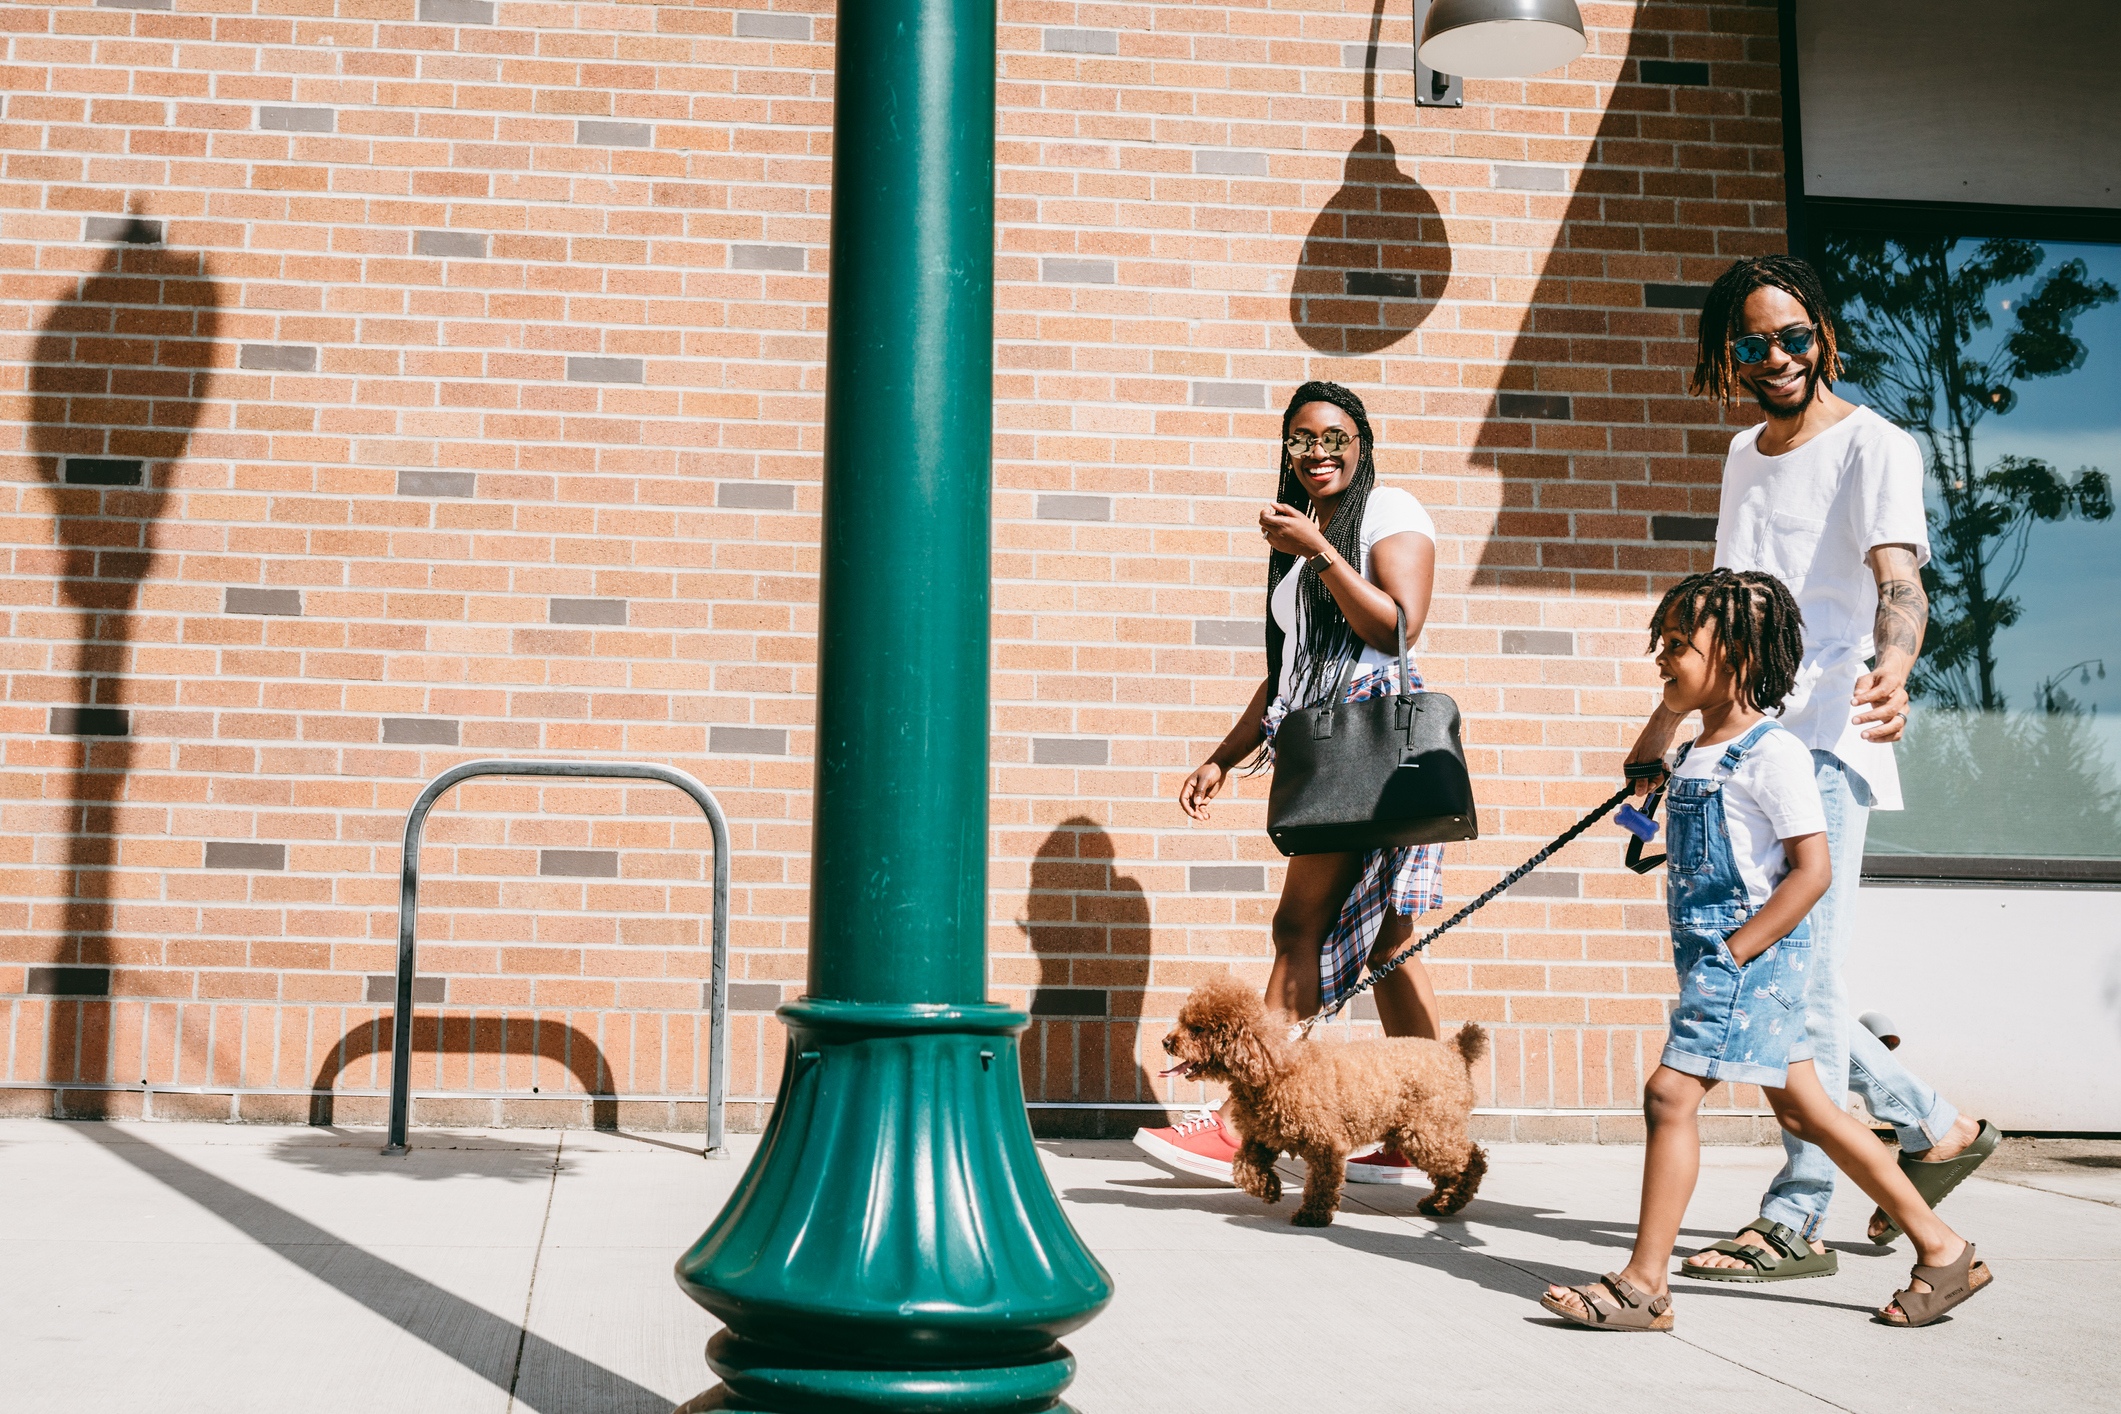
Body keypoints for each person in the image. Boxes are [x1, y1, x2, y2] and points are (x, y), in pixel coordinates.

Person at [1629, 256, 1996, 1280]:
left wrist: (1896, 660)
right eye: (1752, 344)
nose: (1778, 358)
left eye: (1794, 336)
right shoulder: (1745, 453)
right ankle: (1934, 1126)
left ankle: (1797, 1212)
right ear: (1726, 356)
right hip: (1743, 738)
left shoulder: (1876, 443)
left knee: (1801, 978)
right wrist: (1668, 731)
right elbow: (1724, 612)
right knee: (1802, 981)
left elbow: (1898, 577)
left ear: (1823, 332)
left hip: (1830, 733)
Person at [1541, 569, 1993, 1331]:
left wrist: (1732, 952)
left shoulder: (1770, 754)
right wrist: (1669, 702)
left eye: (1679, 646)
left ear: (1741, 658)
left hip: (1747, 956)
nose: (1662, 657)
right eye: (1662, 643)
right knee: (1811, 1109)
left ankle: (1643, 1285)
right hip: (1725, 956)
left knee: (1669, 1096)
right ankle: (1944, 1250)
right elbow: (1639, 770)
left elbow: (1810, 872)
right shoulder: (1696, 747)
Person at [1134, 380, 1446, 1186]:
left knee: (1296, 928)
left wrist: (1321, 551)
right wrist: (1221, 757)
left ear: (1361, 442)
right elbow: (1282, 679)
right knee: (1388, 943)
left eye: (1333, 436)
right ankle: (1421, 1125)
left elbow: (1397, 625)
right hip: (1321, 744)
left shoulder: (1388, 512)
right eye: (1300, 440)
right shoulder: (1299, 546)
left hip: (1367, 746)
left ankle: (1244, 1124)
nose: (1316, 452)